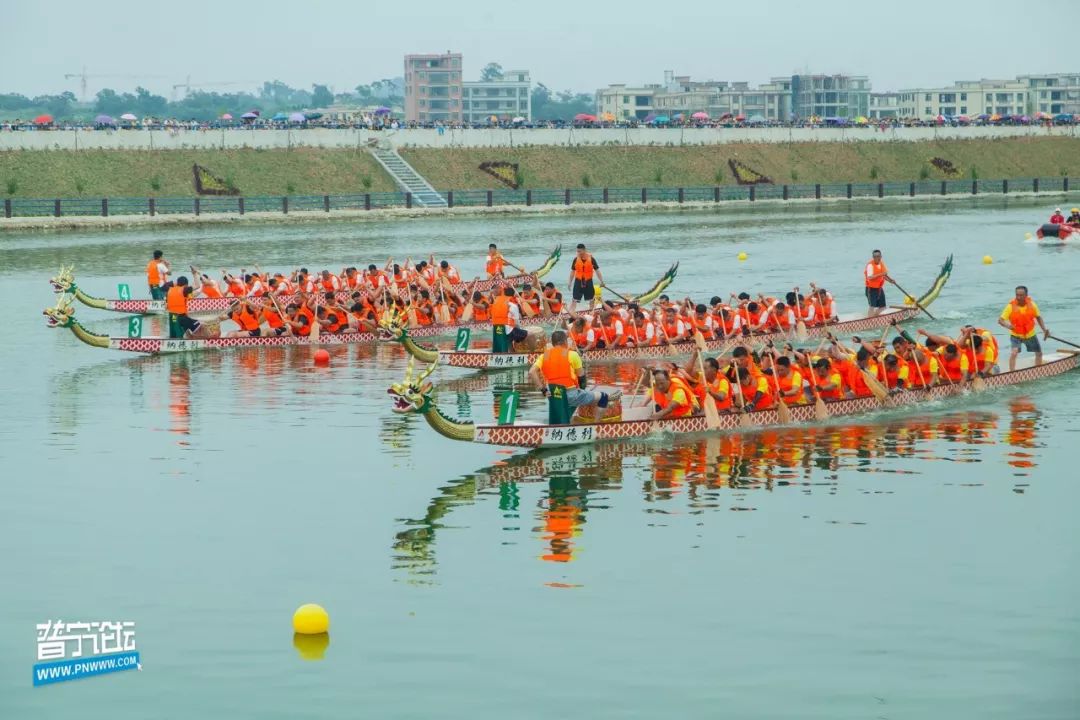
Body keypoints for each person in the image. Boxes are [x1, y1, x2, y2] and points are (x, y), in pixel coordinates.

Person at [529, 330, 610, 423]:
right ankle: (595, 427)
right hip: (570, 394)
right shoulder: (573, 354)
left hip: (552, 395)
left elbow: (531, 372)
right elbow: (582, 378)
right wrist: (582, 389)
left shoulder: (544, 355)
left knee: (575, 398)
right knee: (603, 397)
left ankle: (566, 422)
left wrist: (543, 389)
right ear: (565, 342)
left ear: (552, 343)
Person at [998, 285, 1049, 370]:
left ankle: (1038, 370)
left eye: (1021, 295)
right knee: (1014, 353)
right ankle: (1012, 373)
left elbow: (1038, 317)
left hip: (1030, 334)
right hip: (1016, 335)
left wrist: (1044, 330)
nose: (1018, 297)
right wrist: (1008, 326)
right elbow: (1000, 320)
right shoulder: (1010, 307)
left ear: (1026, 295)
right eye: (1017, 295)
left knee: (1039, 353)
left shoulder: (1032, 305)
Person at [567, 243, 604, 314]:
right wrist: (570, 282)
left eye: (579, 251)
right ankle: (571, 314)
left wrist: (602, 281)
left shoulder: (592, 259)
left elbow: (597, 271)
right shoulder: (576, 259)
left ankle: (591, 312)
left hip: (588, 281)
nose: (578, 253)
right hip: (578, 281)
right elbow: (572, 272)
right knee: (574, 299)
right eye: (577, 251)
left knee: (591, 299)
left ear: (584, 250)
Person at [490, 286, 526, 353]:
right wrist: (520, 330)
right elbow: (517, 323)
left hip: (496, 329)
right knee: (529, 335)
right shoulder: (513, 305)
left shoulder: (495, 303)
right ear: (513, 295)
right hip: (507, 330)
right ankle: (531, 354)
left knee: (509, 340)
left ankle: (509, 352)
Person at [864, 249, 889, 318]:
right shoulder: (870, 265)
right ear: (873, 257)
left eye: (878, 256)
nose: (877, 258)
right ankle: (869, 320)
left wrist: (891, 281)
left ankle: (873, 318)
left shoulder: (881, 263)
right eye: (875, 256)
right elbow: (870, 277)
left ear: (881, 256)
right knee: (872, 306)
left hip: (879, 288)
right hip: (871, 289)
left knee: (883, 307)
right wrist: (881, 274)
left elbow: (883, 275)